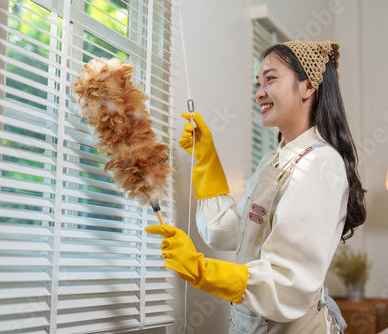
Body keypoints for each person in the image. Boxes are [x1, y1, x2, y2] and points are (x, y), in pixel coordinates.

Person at [146, 41, 367, 333]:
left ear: (308, 86)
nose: (259, 92)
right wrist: (206, 159)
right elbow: (226, 231)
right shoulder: (273, 161)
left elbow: (287, 282)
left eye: (270, 78)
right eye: (257, 83)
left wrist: (202, 270)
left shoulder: (321, 163)